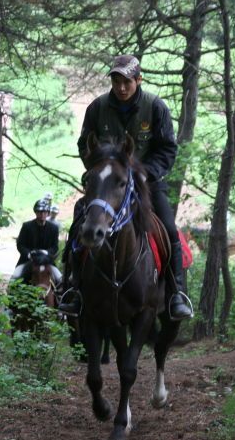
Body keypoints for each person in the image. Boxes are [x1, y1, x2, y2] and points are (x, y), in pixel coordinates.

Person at [58, 54, 193, 321]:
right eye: (116, 81)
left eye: (127, 82)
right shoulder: (97, 108)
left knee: (168, 227)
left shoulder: (155, 107)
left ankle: (176, 293)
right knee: (78, 221)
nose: (121, 87)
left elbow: (167, 149)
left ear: (138, 80)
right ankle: (73, 289)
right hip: (108, 186)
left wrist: (146, 174)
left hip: (146, 184)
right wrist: (98, 170)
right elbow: (85, 142)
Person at [10, 199, 62, 288]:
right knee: (15, 278)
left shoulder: (54, 228)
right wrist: (28, 254)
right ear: (36, 212)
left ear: (48, 213)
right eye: (39, 212)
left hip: (46, 261)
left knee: (60, 278)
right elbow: (20, 244)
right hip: (28, 260)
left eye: (44, 212)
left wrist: (47, 253)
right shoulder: (27, 226)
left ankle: (60, 299)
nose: (42, 215)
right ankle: (11, 299)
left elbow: (55, 247)